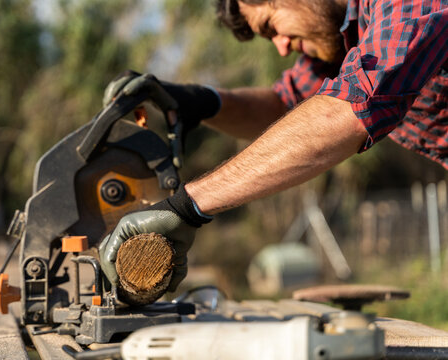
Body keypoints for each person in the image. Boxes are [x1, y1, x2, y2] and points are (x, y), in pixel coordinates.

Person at [99, 0, 448, 292]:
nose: (281, 47)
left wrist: (187, 206)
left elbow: (347, 111)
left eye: (271, 26)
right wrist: (195, 101)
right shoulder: (345, 40)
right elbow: (285, 107)